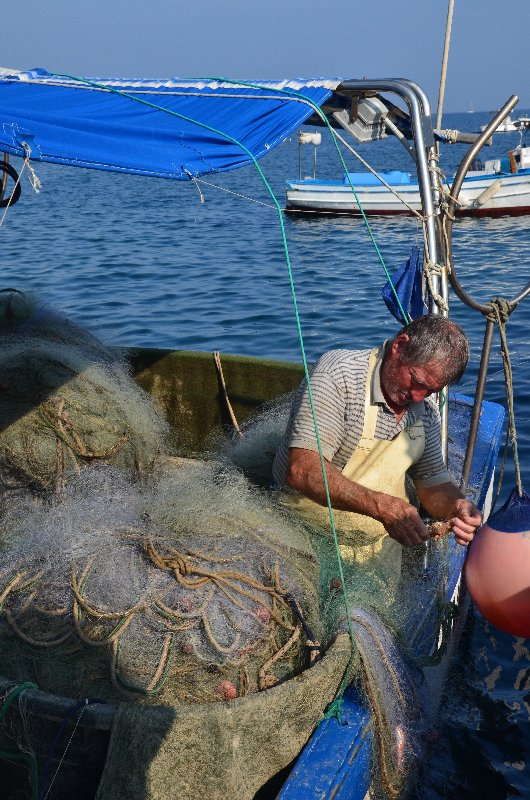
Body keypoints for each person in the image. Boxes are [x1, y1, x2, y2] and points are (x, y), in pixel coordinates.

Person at [273, 315, 482, 577]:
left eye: (430, 391)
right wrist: (382, 507)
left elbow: (431, 482)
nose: (418, 396)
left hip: (376, 554)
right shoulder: (339, 376)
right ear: (400, 345)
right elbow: (302, 470)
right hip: (302, 538)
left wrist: (456, 506)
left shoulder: (424, 412)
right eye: (417, 382)